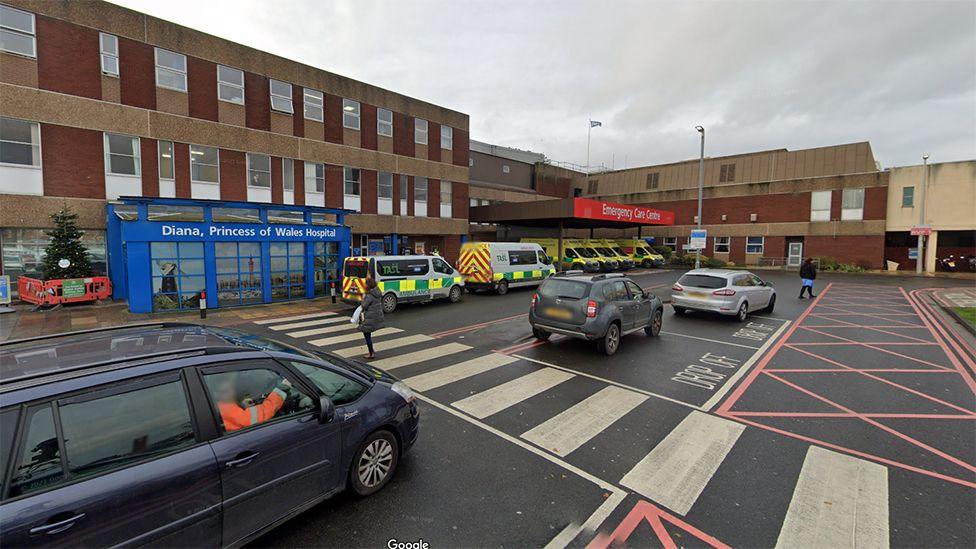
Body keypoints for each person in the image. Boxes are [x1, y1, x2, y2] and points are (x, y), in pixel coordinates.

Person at [215, 375, 292, 432]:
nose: (233, 393)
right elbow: (261, 415)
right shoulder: (224, 408)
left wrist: (241, 406)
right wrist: (281, 391)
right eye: (226, 391)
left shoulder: (214, 405)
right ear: (215, 393)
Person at [359, 277, 385, 359]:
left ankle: (371, 353)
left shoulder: (369, 295)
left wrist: (362, 300)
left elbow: (364, 306)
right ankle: (371, 352)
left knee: (367, 334)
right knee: (367, 334)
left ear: (368, 285)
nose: (364, 285)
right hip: (375, 316)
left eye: (366, 283)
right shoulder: (377, 292)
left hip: (370, 317)